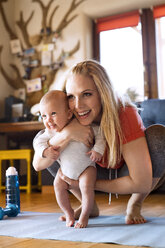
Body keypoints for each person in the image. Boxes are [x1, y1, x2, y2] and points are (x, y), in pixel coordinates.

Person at [34, 59, 165, 225]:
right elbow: (38, 164)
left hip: (125, 174)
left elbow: (141, 182)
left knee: (160, 135)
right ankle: (88, 204)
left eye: (87, 94)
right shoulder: (68, 113)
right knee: (47, 145)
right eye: (71, 97)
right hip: (89, 167)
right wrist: (66, 134)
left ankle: (136, 203)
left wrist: (85, 184)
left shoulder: (125, 113)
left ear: (103, 93)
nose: (78, 105)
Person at [33, 90, 105, 228]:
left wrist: (98, 150)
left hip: (86, 167)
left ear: (68, 113)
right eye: (44, 116)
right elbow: (38, 142)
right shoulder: (49, 133)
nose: (48, 120)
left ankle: (84, 216)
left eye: (53, 114)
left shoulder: (82, 123)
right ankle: (69, 213)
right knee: (57, 186)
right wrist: (45, 151)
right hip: (65, 171)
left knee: (86, 187)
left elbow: (100, 133)